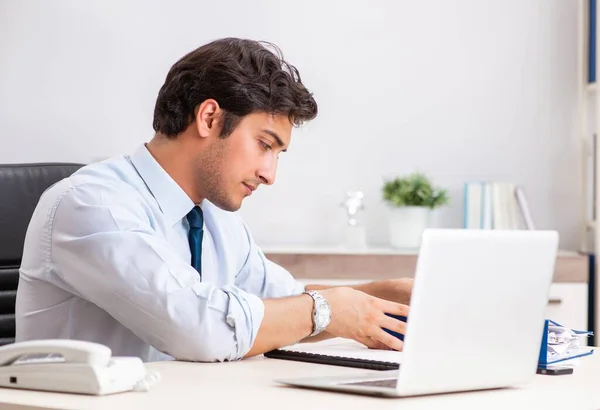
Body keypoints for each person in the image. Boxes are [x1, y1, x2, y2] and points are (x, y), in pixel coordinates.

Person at [15, 37, 413, 362]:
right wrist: (326, 308)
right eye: (264, 145)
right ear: (209, 118)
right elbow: (199, 329)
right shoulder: (92, 205)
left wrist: (386, 294)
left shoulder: (215, 218)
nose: (270, 174)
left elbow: (283, 306)